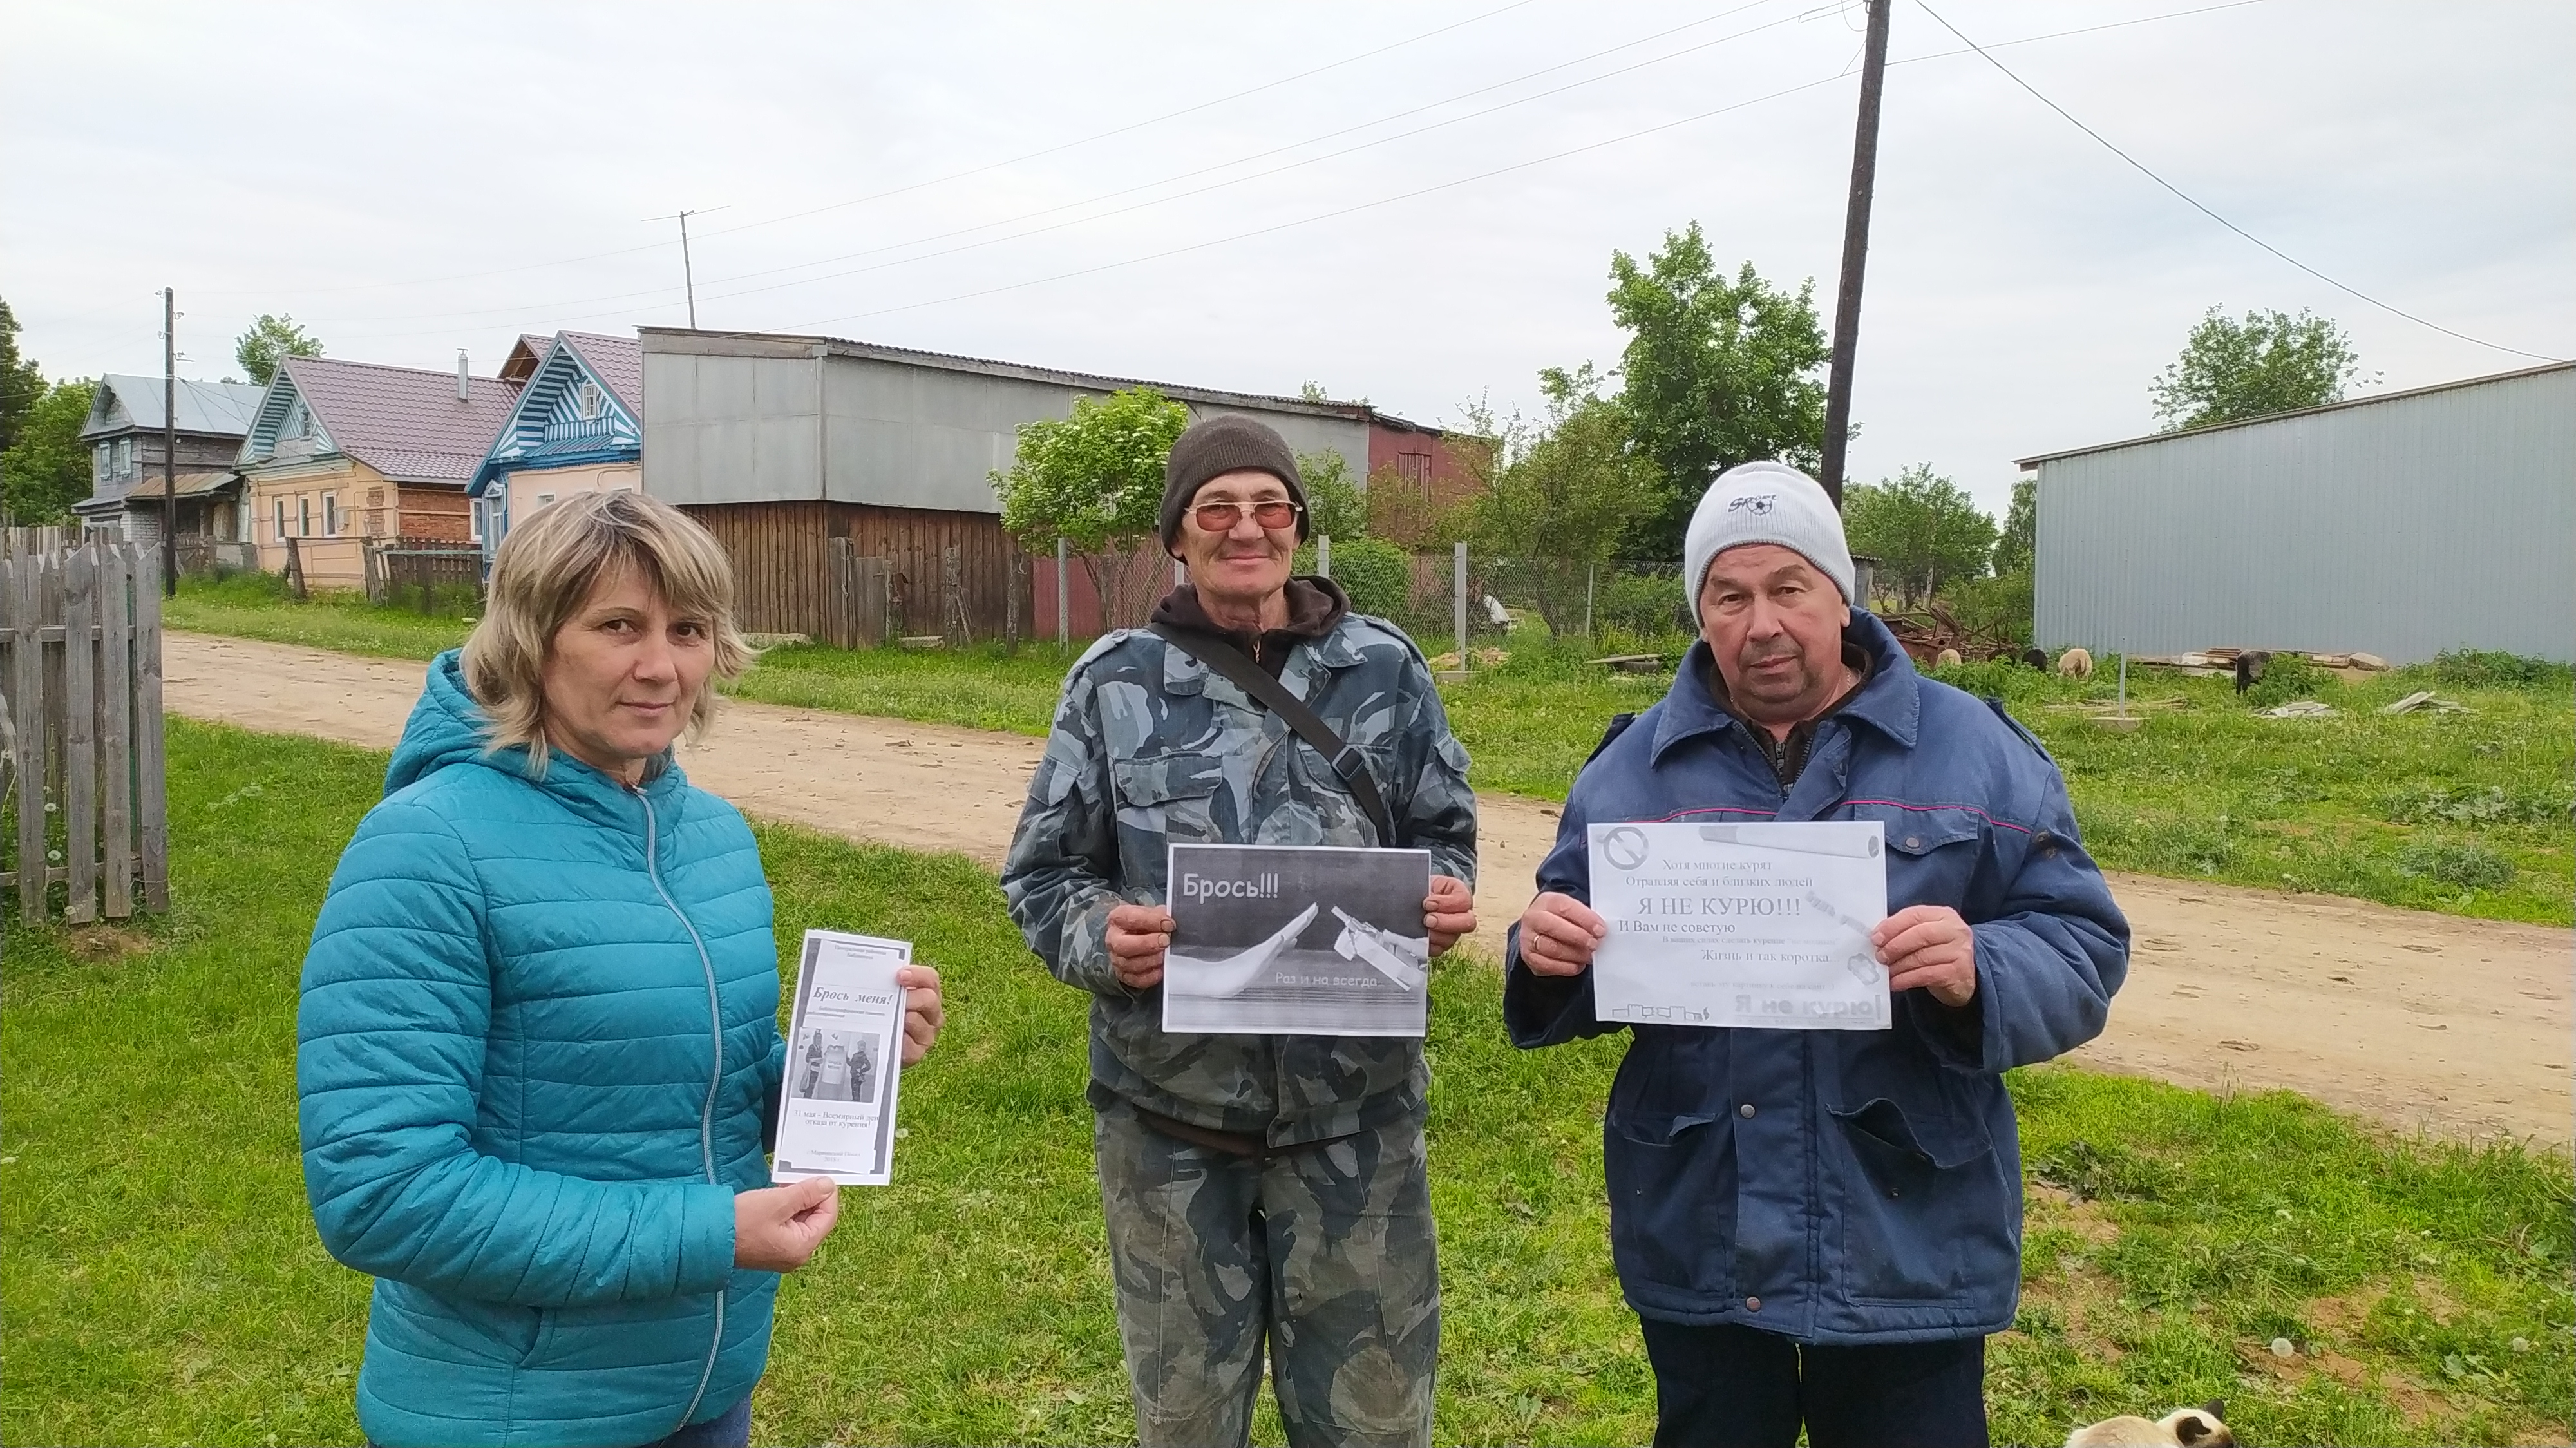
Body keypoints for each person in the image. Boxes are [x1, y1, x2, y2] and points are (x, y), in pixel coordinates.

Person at [296, 490, 944, 1448]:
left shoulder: (712, 837)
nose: (661, 666)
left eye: (688, 629)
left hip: (703, 1390)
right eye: (618, 627)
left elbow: (683, 1090)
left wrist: (836, 1064)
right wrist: (714, 1236)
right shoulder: (428, 847)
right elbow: (383, 1195)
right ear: (532, 641)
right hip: (520, 1411)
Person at [1504, 462, 2129, 1448]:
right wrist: (1543, 953)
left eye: (1789, 589)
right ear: (1700, 611)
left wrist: (1982, 968)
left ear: (1840, 597)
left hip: (1904, 1226)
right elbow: (1571, 938)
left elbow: (2084, 941)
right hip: (1701, 1220)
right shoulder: (1631, 770)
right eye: (1730, 596)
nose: (1762, 624)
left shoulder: (1975, 751)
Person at [1003, 414, 1479, 1448]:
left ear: (1299, 527)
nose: (1246, 528)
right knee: (1185, 1428)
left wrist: (1439, 901)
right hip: (1170, 1130)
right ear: (1178, 533)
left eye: (1270, 507)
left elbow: (1446, 837)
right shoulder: (1115, 683)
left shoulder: (1385, 672)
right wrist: (1103, 939)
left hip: (1359, 1132)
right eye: (1217, 509)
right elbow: (1042, 875)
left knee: (1376, 1425)